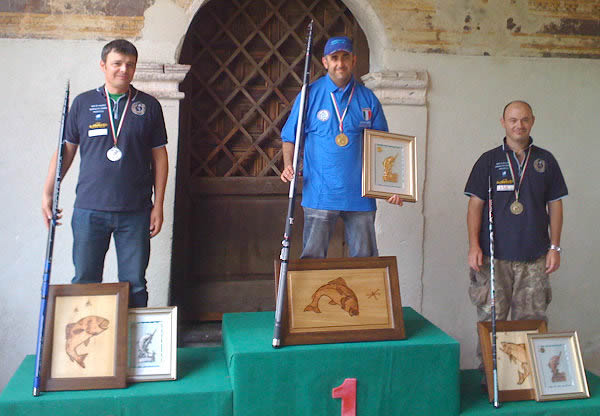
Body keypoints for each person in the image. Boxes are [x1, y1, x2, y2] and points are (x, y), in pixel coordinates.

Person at [41, 39, 168, 307]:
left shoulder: (149, 106)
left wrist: (159, 204)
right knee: (86, 282)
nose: (123, 69)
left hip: (135, 211)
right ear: (103, 65)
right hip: (89, 210)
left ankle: (131, 336)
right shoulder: (83, 103)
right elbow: (66, 151)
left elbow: (160, 157)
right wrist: (48, 192)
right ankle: (87, 336)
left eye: (130, 65)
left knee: (135, 284)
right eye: (117, 63)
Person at [280, 36, 403, 259]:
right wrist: (288, 165)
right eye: (334, 58)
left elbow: (384, 147)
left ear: (353, 60)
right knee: (312, 261)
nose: (340, 63)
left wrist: (390, 187)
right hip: (320, 194)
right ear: (325, 62)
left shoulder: (367, 98)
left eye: (345, 57)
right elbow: (290, 137)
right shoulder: (310, 94)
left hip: (360, 197)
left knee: (366, 262)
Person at [464, 100, 567, 364]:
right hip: (493, 257)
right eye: (513, 120)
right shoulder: (488, 161)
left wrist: (555, 247)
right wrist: (474, 246)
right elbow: (475, 205)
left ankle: (529, 378)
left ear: (532, 121)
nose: (518, 125)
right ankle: (490, 377)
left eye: (524, 120)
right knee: (491, 320)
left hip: (534, 257)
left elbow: (555, 205)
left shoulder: (545, 160)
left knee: (531, 321)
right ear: (503, 123)